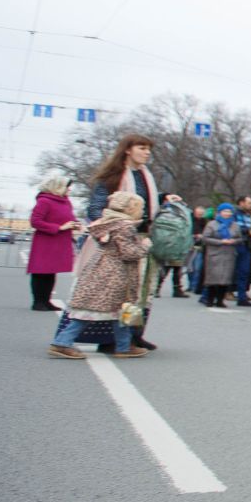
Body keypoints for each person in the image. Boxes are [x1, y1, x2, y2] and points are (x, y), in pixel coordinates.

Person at [47, 192, 150, 360]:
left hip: (101, 270)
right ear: (130, 208)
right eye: (141, 207)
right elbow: (127, 252)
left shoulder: (109, 224)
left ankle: (123, 346)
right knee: (102, 310)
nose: (142, 211)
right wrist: (145, 246)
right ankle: (62, 343)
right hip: (116, 274)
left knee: (118, 311)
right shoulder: (125, 227)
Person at [86, 133, 161, 350]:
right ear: (128, 149)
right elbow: (95, 208)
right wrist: (111, 229)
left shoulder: (147, 177)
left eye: (149, 149)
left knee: (143, 291)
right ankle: (110, 339)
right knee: (116, 292)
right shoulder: (113, 176)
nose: (147, 152)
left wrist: (165, 198)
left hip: (143, 238)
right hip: (119, 240)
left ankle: (134, 333)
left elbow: (146, 206)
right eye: (142, 148)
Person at [28, 173, 78, 311]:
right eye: (67, 187)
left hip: (59, 241)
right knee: (40, 272)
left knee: (51, 272)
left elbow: (70, 217)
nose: (69, 189)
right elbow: (35, 221)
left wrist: (75, 224)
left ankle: (47, 300)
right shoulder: (44, 201)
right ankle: (38, 301)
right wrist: (59, 227)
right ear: (57, 186)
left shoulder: (66, 201)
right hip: (45, 241)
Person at [198, 203, 245, 308]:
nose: (227, 213)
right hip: (215, 254)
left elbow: (240, 238)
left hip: (229, 254)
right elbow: (206, 238)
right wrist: (220, 241)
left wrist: (234, 241)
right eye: (225, 211)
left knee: (225, 279)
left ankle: (220, 300)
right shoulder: (212, 224)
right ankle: (209, 299)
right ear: (219, 212)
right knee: (213, 278)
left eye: (229, 211)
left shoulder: (235, 225)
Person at [149, 195, 192, 297]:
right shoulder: (181, 212)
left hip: (168, 243)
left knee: (172, 268)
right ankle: (165, 288)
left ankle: (161, 288)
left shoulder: (165, 210)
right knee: (170, 268)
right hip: (175, 244)